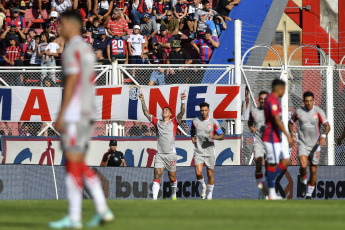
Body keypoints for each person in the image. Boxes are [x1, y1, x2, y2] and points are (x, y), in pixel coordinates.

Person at [50, 11, 113, 229]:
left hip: (76, 112)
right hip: (87, 110)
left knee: (73, 164)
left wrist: (61, 114)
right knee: (76, 163)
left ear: (69, 24)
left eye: (60, 24)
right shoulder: (86, 49)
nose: (58, 28)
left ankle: (75, 218)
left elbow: (73, 80)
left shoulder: (72, 49)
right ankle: (100, 211)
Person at [139, 91, 186, 200]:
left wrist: (183, 101)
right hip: (160, 154)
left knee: (172, 177)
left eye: (167, 110)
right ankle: (154, 199)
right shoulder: (157, 122)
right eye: (163, 110)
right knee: (157, 174)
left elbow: (182, 112)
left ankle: (174, 194)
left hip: (171, 154)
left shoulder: (174, 122)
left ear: (170, 114)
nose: (164, 111)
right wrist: (142, 101)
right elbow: (146, 113)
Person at [288, 91, 330, 199]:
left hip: (315, 145)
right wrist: (292, 134)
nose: (309, 103)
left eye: (311, 101)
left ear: (314, 101)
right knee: (303, 165)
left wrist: (323, 136)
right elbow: (290, 122)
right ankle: (303, 180)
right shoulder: (299, 112)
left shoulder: (319, 111)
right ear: (303, 102)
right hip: (303, 144)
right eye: (307, 101)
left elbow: (327, 126)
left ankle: (309, 194)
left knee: (313, 170)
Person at [263, 79, 294, 200]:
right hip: (270, 137)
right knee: (273, 164)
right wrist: (288, 135)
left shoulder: (274, 100)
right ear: (279, 88)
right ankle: (271, 194)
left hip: (276, 137)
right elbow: (277, 120)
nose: (284, 92)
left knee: (286, 161)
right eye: (284, 89)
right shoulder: (271, 100)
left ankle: (268, 181)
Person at [191, 102, 224, 200]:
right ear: (200, 110)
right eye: (202, 110)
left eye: (205, 110)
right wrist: (193, 137)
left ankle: (209, 195)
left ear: (209, 111)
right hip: (199, 151)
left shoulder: (214, 122)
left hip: (209, 151)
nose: (204, 112)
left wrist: (214, 136)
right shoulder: (195, 121)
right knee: (198, 173)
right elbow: (193, 130)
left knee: (210, 174)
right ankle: (203, 186)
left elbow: (222, 136)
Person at [248, 91, 268, 199]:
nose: (263, 101)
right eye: (261, 99)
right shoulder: (254, 111)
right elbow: (250, 122)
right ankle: (261, 191)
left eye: (265, 99)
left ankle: (268, 192)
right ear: (259, 100)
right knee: (258, 165)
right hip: (259, 142)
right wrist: (251, 127)